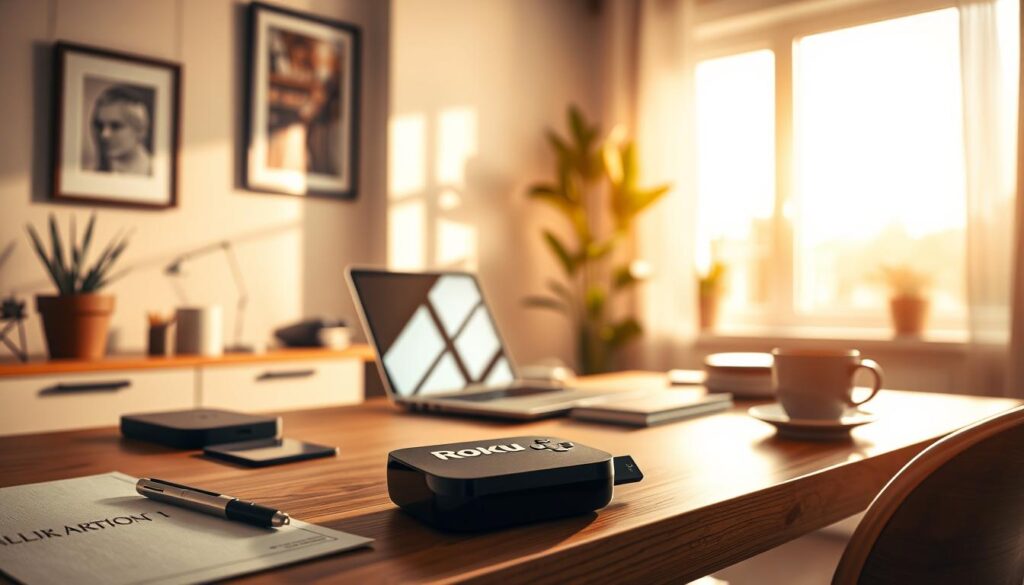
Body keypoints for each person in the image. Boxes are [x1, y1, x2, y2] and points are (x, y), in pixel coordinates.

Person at [90, 85, 153, 175]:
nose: (104, 134)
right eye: (99, 126)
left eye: (115, 126)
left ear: (140, 130)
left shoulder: (154, 172)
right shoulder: (97, 172)